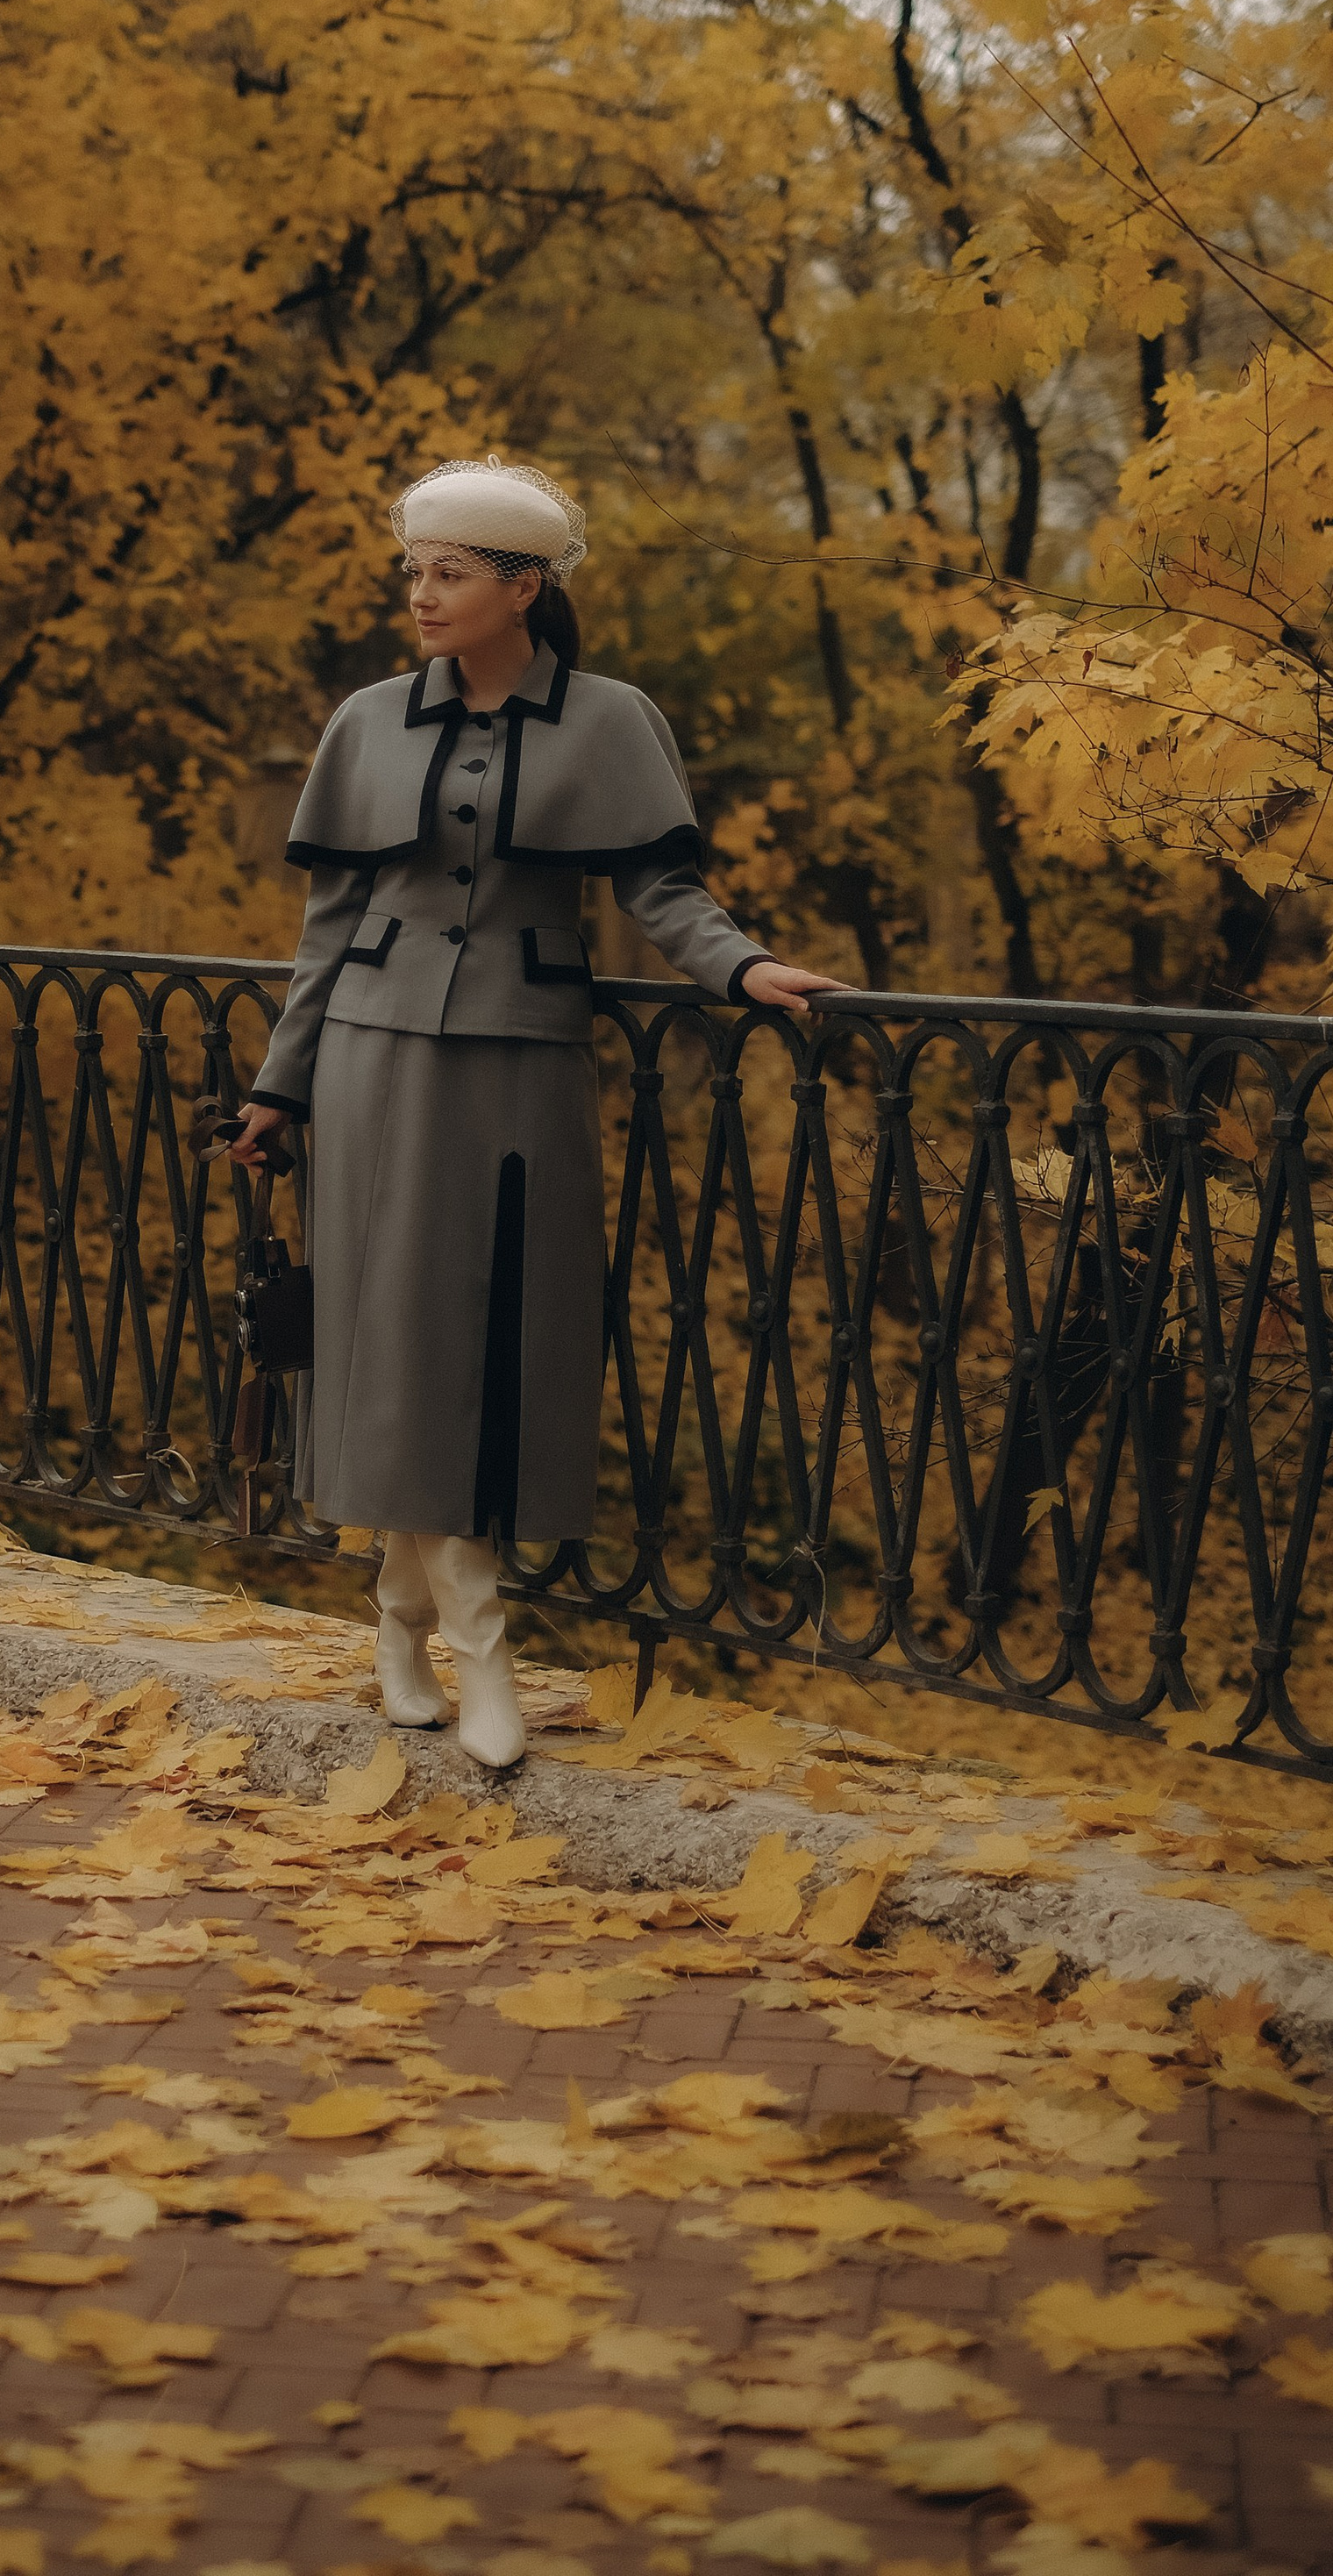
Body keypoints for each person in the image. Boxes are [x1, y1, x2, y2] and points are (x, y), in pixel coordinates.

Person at [229, 457, 843, 1772]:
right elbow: (328, 930)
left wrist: (741, 968)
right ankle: (476, 1647)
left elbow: (661, 891)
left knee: (486, 1345)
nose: (422, 595)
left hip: (522, 1061)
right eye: (414, 571)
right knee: (392, 1343)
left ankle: (400, 1615)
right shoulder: (367, 721)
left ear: (525, 588)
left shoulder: (612, 720)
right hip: (370, 1061)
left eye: (449, 574)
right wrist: (281, 1086)